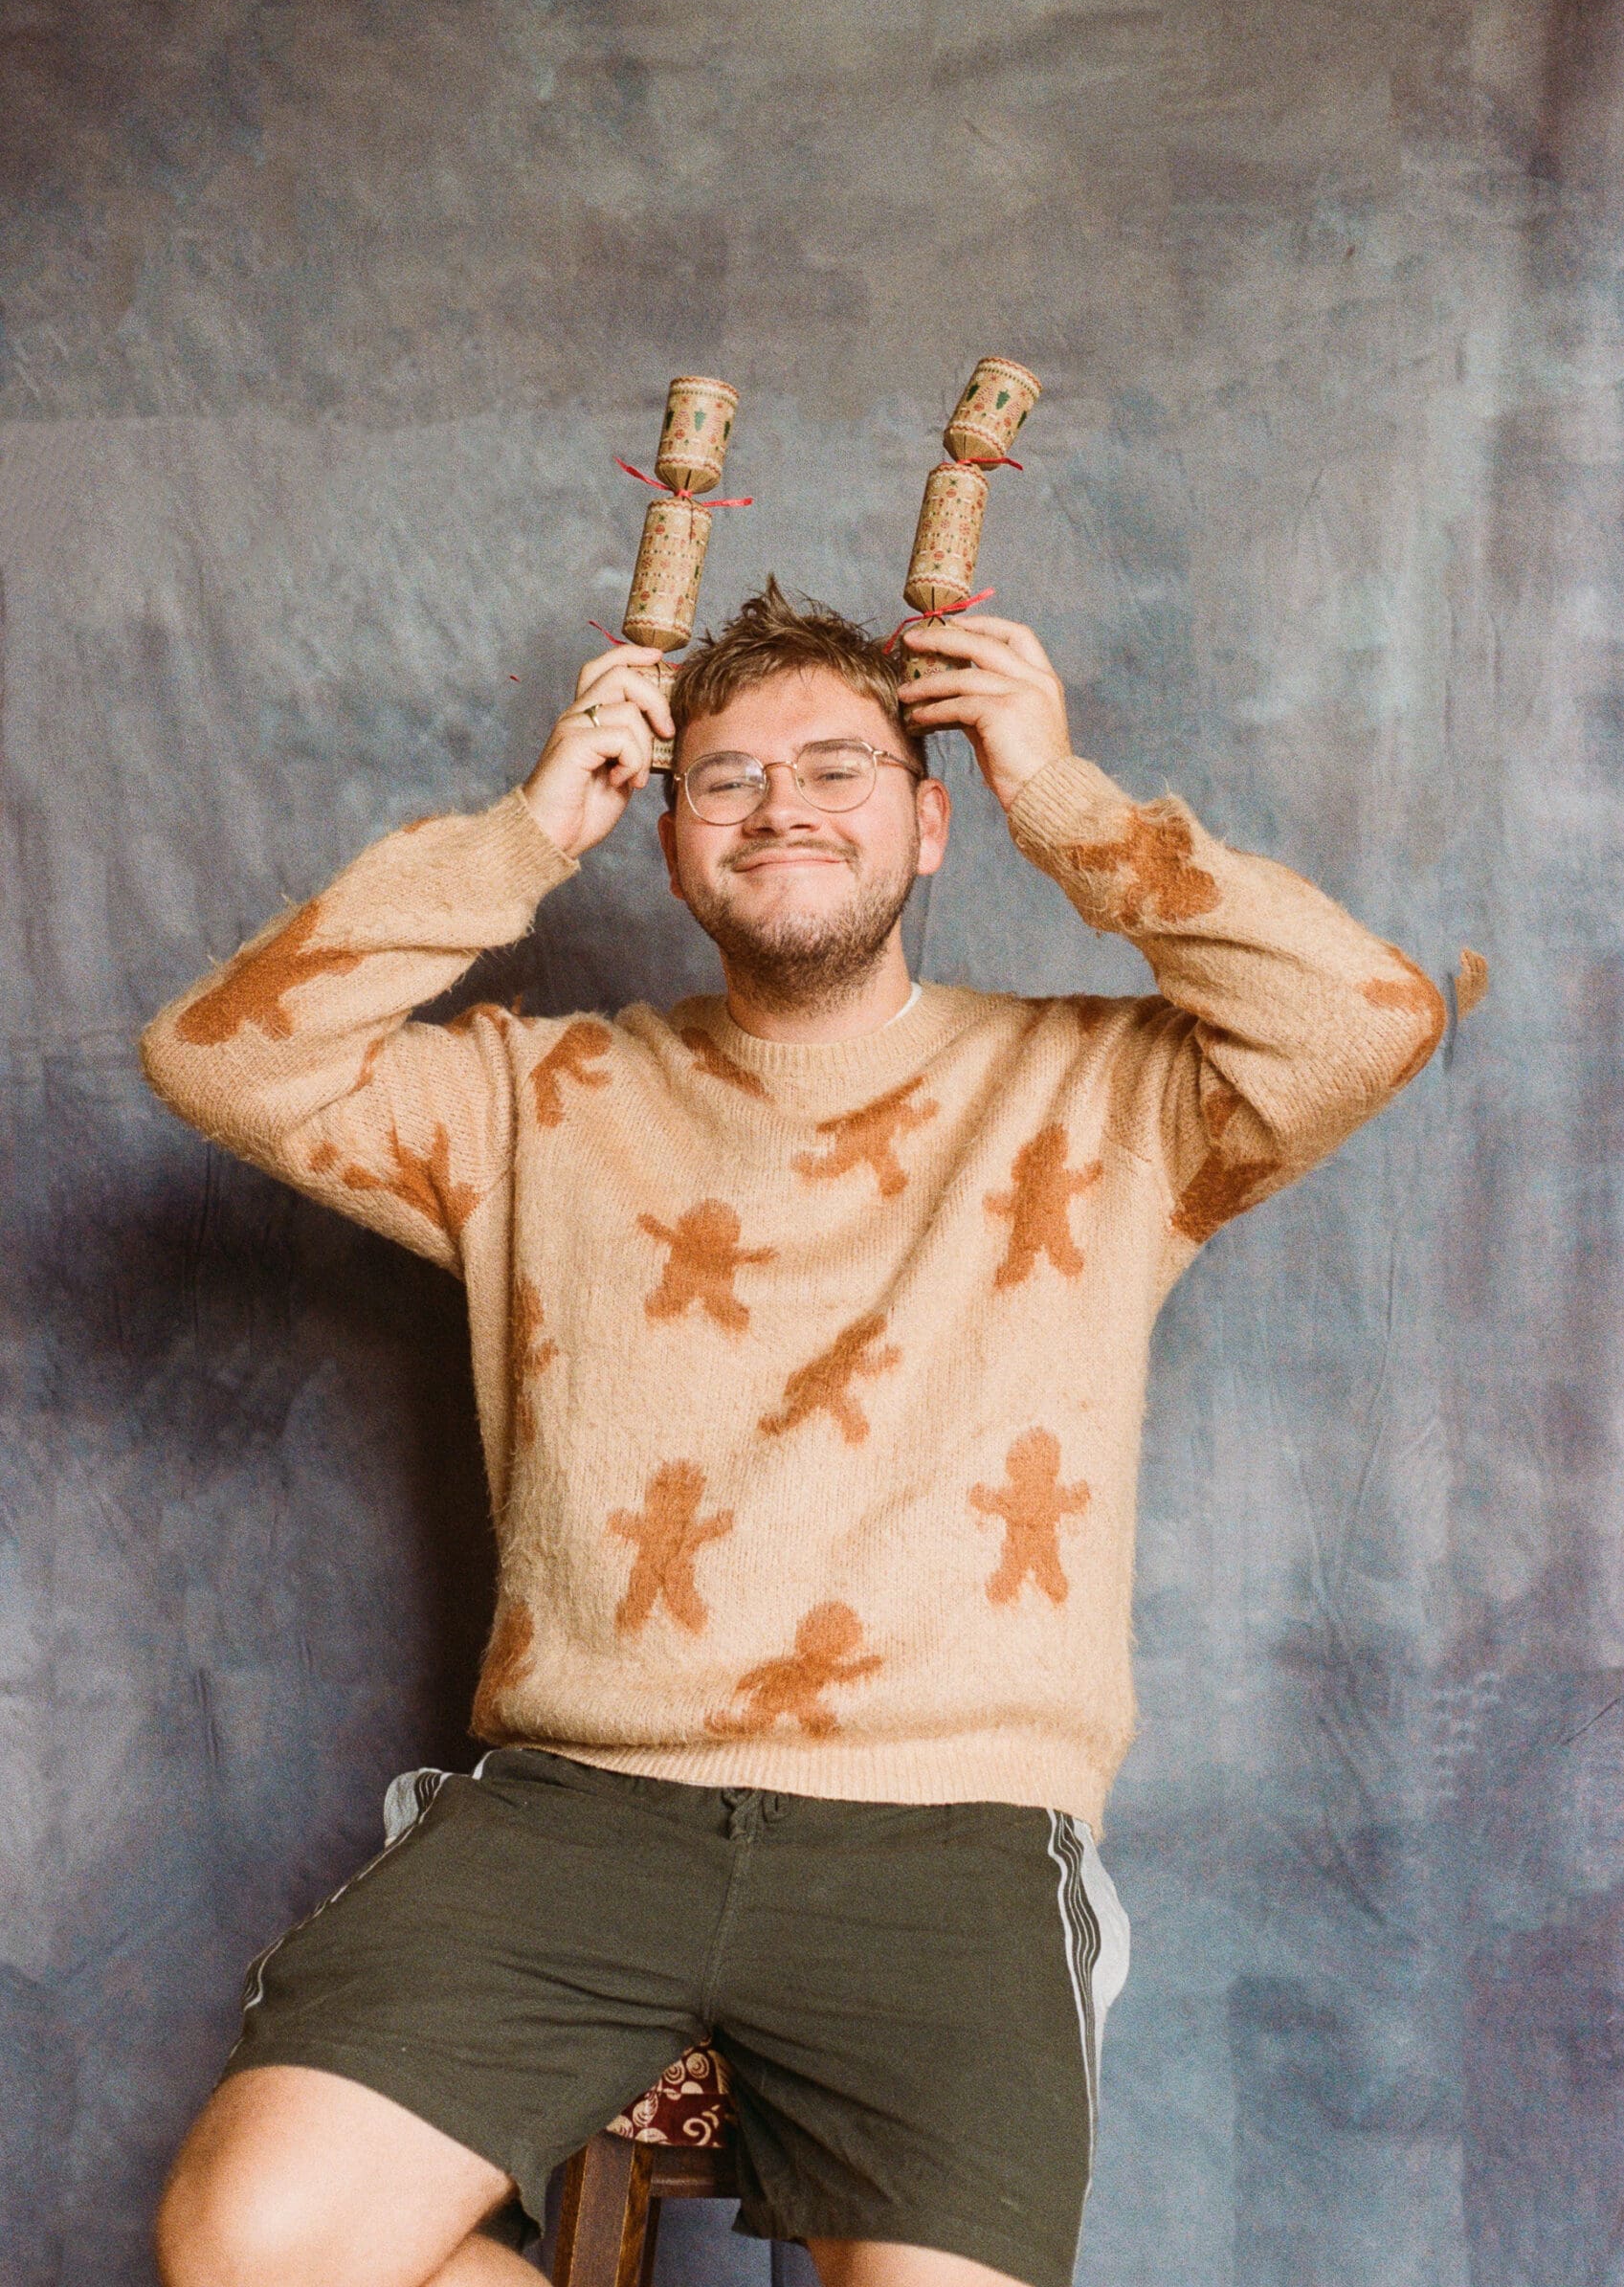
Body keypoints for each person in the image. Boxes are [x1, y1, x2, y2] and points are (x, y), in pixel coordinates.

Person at [143, 584, 1444, 2287]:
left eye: (836, 768)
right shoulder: (529, 1099)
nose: (782, 808)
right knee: (255, 2245)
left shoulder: (1114, 1096)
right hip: (579, 1814)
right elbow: (216, 1059)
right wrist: (519, 839)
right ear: (667, 841)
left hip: (946, 1835)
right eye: (724, 779)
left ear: (927, 819)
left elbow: (1370, 1018)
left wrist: (1064, 795)